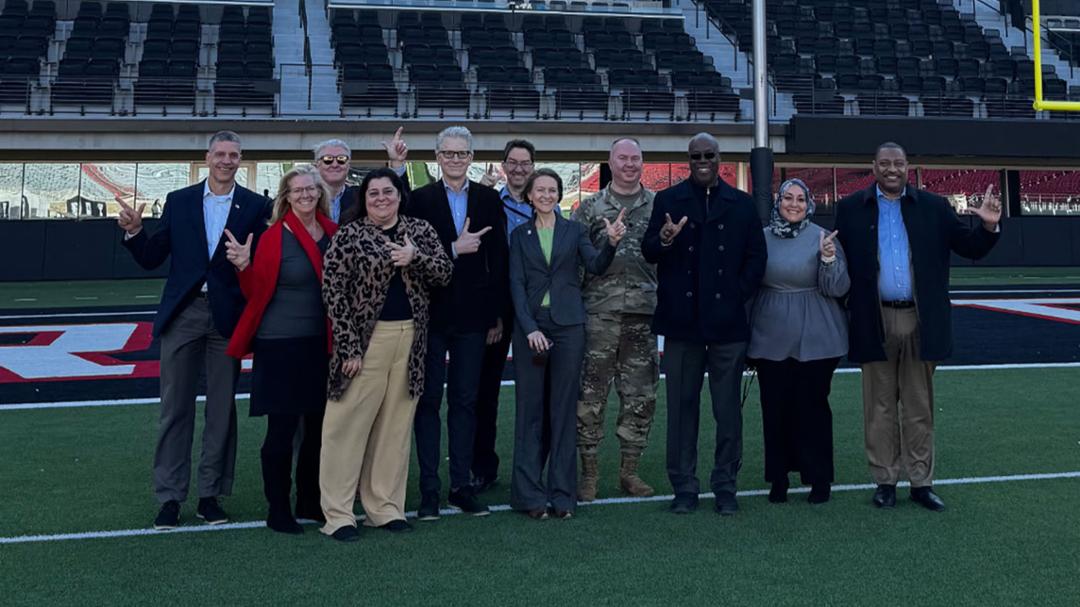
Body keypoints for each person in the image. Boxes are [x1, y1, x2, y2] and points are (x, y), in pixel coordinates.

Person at [835, 142, 1001, 512]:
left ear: (908, 166)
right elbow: (839, 263)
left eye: (898, 163)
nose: (891, 169)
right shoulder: (850, 209)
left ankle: (921, 482)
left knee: (918, 406)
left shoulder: (934, 207)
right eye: (884, 163)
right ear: (873, 167)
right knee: (879, 408)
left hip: (919, 318)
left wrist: (989, 227)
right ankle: (885, 481)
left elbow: (970, 247)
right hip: (874, 318)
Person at [116, 130, 270, 530]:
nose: (226, 160)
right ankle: (170, 497)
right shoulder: (179, 200)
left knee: (221, 409)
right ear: (207, 157)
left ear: (240, 160)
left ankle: (210, 495)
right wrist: (135, 232)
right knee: (175, 408)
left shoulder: (257, 205)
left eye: (233, 155)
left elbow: (263, 264)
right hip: (184, 314)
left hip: (227, 318)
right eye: (220, 153)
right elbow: (152, 257)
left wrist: (248, 261)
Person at [319, 168, 453, 542]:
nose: (381, 198)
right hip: (366, 342)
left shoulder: (419, 230)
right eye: (373, 193)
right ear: (364, 199)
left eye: (387, 191)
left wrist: (415, 257)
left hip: (410, 340)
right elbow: (333, 291)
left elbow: (444, 273)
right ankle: (338, 514)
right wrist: (349, 346)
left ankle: (384, 507)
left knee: (395, 429)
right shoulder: (350, 234)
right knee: (346, 426)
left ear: (399, 195)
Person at [642, 132, 767, 516]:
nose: (702, 161)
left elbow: (756, 259)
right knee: (681, 410)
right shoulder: (668, 200)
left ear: (719, 158)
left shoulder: (742, 204)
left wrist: (734, 296)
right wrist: (664, 239)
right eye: (695, 156)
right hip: (682, 325)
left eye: (708, 155)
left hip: (727, 324)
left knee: (727, 411)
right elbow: (649, 249)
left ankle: (725, 485)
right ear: (688, 159)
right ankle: (684, 486)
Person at [223, 165, 337, 534]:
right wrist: (244, 266)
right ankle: (278, 507)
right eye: (297, 190)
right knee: (282, 429)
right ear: (285, 197)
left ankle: (309, 499)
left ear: (320, 192)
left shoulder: (333, 233)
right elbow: (256, 292)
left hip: (321, 344)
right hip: (280, 345)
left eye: (311, 189)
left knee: (318, 428)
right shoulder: (273, 236)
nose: (305, 195)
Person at [509, 168, 626, 520]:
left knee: (562, 412)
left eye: (552, 190)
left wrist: (612, 242)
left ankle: (562, 495)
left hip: (568, 327)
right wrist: (530, 329)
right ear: (529, 196)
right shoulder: (519, 235)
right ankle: (529, 495)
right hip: (531, 329)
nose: (546, 195)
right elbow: (516, 285)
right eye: (540, 190)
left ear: (559, 195)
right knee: (530, 412)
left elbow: (596, 265)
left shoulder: (574, 231)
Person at [406, 126, 508, 520]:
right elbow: (413, 256)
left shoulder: (487, 198)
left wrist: (495, 313)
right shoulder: (419, 199)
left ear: (471, 157)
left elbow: (498, 258)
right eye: (448, 153)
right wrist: (453, 249)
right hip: (430, 316)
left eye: (461, 153)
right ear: (437, 157)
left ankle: (461, 486)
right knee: (428, 402)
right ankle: (429, 490)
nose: (454, 159)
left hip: (473, 318)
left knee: (466, 401)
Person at [747, 179, 849, 505]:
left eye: (801, 199)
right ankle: (778, 479)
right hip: (770, 334)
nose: (794, 204)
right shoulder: (761, 237)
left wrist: (829, 260)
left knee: (813, 408)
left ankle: (819, 479)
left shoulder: (824, 237)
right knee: (774, 408)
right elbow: (749, 283)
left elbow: (838, 288)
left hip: (818, 336)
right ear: (778, 202)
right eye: (788, 198)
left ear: (809, 204)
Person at [571, 137, 659, 502]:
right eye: (622, 158)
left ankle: (630, 472)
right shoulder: (590, 208)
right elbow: (576, 261)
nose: (629, 164)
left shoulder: (658, 205)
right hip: (599, 315)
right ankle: (589, 474)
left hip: (643, 314)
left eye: (635, 158)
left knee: (640, 395)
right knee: (590, 395)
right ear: (610, 161)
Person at [471, 138, 537, 493]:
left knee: (537, 390)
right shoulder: (488, 203)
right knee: (486, 391)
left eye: (525, 163)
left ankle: (535, 467)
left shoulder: (545, 203)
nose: (519, 168)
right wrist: (493, 314)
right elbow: (483, 262)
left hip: (535, 308)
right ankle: (483, 466)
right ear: (504, 166)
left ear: (532, 166)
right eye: (513, 162)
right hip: (498, 308)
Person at [314, 128, 409, 223]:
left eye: (341, 159)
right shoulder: (307, 195)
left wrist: (397, 162)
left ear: (348, 165)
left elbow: (401, 208)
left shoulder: (362, 196)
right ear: (317, 164)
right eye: (328, 159)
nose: (335, 164)